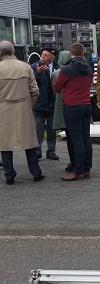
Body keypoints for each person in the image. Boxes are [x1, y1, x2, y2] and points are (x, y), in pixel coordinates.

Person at [0, 41, 45, 185]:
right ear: (13, 51)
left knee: (4, 144)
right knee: (29, 142)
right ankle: (36, 173)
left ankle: (9, 175)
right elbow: (35, 90)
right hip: (23, 108)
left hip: (4, 110)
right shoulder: (25, 67)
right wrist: (28, 104)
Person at [53, 43, 93, 181]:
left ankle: (77, 169)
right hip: (87, 105)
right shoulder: (88, 68)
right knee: (85, 138)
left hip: (72, 107)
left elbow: (57, 87)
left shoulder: (67, 70)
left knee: (76, 139)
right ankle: (86, 168)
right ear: (83, 53)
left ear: (70, 53)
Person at [31, 47, 60, 160]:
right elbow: (30, 81)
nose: (43, 57)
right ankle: (37, 150)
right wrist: (38, 73)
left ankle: (51, 151)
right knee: (39, 128)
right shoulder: (34, 67)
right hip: (39, 103)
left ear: (52, 57)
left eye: (46, 55)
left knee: (52, 128)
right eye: (42, 55)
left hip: (53, 104)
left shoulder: (58, 68)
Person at [51, 50, 75, 172]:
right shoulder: (76, 71)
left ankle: (72, 161)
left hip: (61, 107)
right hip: (75, 106)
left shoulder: (56, 74)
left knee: (69, 138)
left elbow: (54, 90)